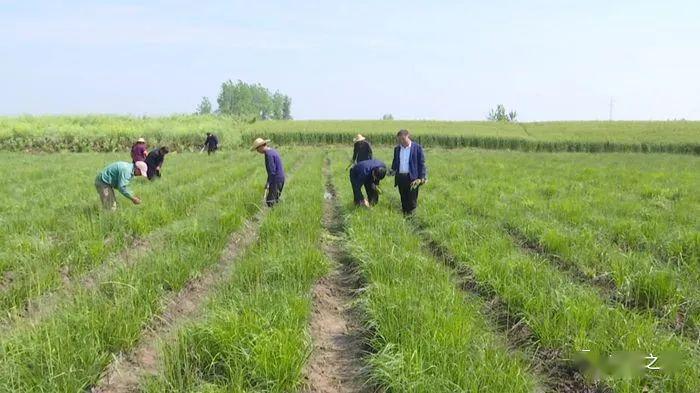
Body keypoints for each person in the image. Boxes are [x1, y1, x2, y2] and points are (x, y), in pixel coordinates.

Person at [390, 129, 426, 215]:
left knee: (412, 201)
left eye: (403, 139)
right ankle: (405, 219)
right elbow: (395, 162)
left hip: (412, 179)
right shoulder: (397, 149)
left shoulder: (417, 148)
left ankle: (412, 220)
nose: (401, 141)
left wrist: (422, 178)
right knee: (403, 200)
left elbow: (421, 164)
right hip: (401, 178)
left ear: (408, 136)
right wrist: (391, 171)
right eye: (399, 139)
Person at [251, 137, 285, 207]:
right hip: (280, 178)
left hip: (276, 179)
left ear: (261, 146)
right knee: (275, 199)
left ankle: (275, 215)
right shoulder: (272, 151)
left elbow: (272, 172)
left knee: (270, 202)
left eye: (257, 149)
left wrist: (268, 183)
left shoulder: (268, 155)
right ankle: (277, 213)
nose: (257, 151)